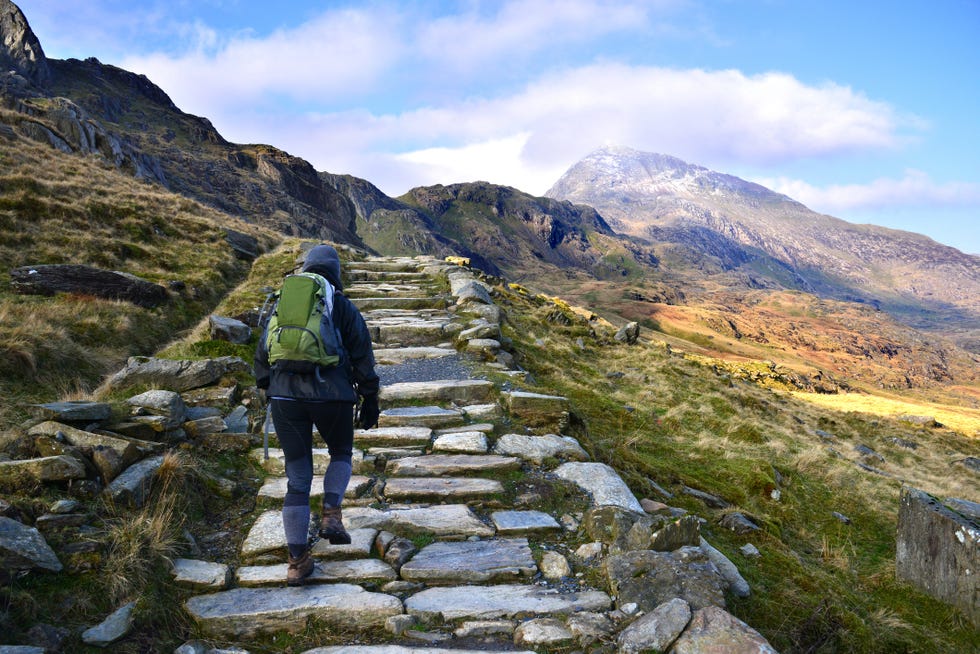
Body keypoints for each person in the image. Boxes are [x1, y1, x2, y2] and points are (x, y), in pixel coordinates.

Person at [254, 244, 380, 586]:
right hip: (332, 395)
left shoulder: (283, 300)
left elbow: (262, 353)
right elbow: (363, 355)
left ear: (306, 268)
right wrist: (370, 396)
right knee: (340, 452)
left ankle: (297, 562)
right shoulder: (340, 304)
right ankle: (331, 514)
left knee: (297, 478)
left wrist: (269, 388)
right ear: (335, 273)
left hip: (284, 397)